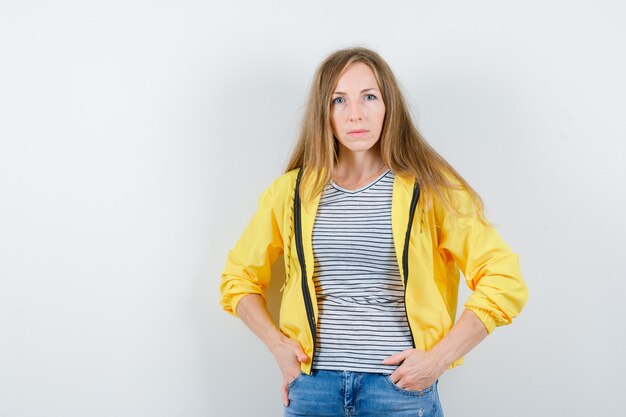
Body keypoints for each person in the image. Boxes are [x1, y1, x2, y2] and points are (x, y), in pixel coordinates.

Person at [219, 46, 528, 417]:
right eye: (338, 100)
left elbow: (503, 279)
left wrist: (438, 360)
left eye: (369, 97)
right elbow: (238, 279)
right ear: (324, 112)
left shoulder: (429, 189)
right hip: (313, 389)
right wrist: (277, 346)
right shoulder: (291, 192)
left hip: (397, 391)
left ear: (388, 106)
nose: (355, 115)